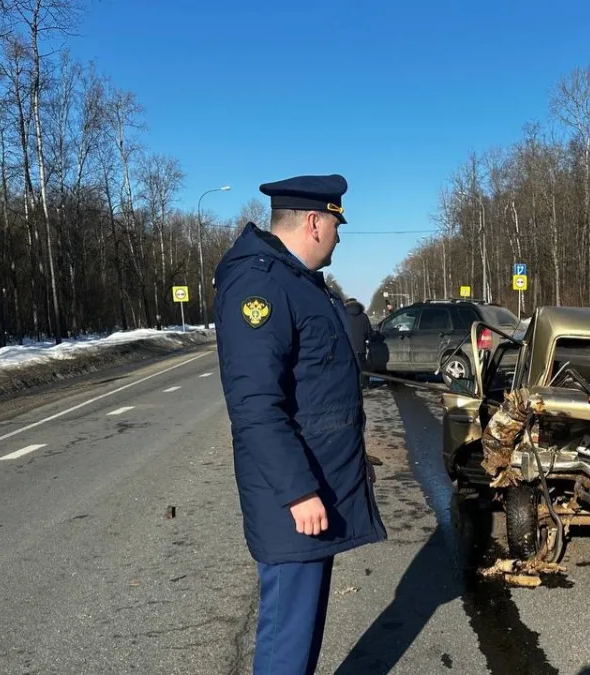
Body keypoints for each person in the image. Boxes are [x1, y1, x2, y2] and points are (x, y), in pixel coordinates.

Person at [214, 174, 386, 675]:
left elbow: (318, 394)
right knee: (286, 642)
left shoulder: (297, 281)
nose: (339, 235)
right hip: (296, 499)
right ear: (314, 222)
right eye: (337, 223)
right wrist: (297, 491)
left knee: (303, 634)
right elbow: (254, 405)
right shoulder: (260, 284)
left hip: (321, 483)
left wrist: (355, 469)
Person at [343, 298, 373, 388]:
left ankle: (351, 384)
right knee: (362, 365)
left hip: (347, 346)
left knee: (349, 366)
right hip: (360, 346)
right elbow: (368, 331)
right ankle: (365, 383)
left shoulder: (343, 316)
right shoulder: (363, 316)